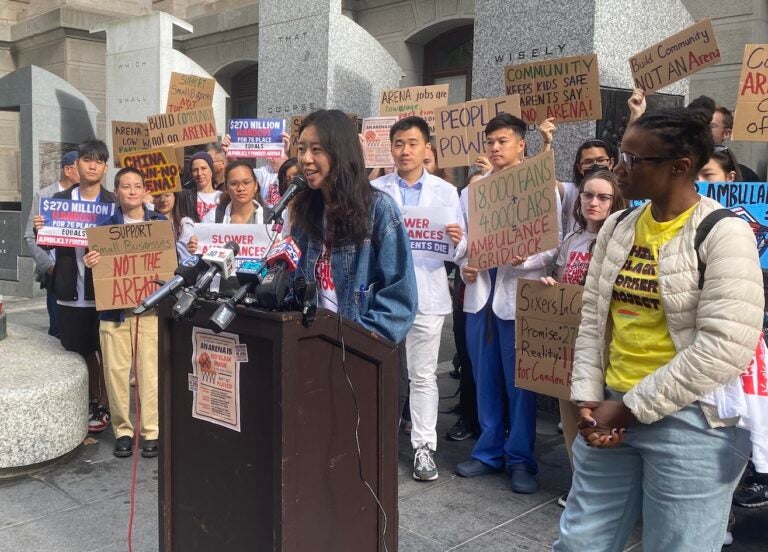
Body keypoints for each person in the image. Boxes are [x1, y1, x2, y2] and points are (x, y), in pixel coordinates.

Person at [554, 107, 763, 551]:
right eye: (620, 157)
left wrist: (630, 407)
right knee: (580, 542)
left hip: (693, 424)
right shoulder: (618, 226)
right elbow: (594, 319)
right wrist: (589, 396)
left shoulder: (725, 233)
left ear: (680, 167)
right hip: (610, 411)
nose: (618, 169)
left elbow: (725, 347)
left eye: (633, 160)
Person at [454, 113, 561, 494]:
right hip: (481, 294)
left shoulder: (540, 187)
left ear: (521, 145)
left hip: (518, 296)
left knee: (520, 384)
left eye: (503, 141)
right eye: (491, 142)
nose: (495, 148)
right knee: (483, 378)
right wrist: (463, 260)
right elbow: (464, 244)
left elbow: (552, 245)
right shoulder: (471, 192)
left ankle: (521, 459)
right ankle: (488, 452)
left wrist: (525, 260)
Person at [371, 116, 464, 481]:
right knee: (385, 372)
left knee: (423, 375)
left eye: (412, 143)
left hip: (427, 292)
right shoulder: (376, 189)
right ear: (390, 148)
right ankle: (379, 439)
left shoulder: (445, 192)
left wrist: (459, 241)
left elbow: (460, 251)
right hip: (385, 297)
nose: (405, 150)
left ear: (427, 147)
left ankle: (424, 447)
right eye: (398, 144)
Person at [290, 108, 417, 346]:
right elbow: (293, 284)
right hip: (311, 345)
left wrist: (355, 341)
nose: (306, 159)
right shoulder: (305, 213)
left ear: (340, 152)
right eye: (301, 148)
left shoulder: (380, 210)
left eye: (316, 149)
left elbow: (399, 302)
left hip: (359, 353)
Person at [539, 169, 625, 506]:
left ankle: (602, 490)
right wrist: (552, 290)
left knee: (597, 416)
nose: (593, 202)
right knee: (571, 416)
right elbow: (561, 278)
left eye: (603, 197)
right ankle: (580, 484)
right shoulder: (572, 240)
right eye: (588, 195)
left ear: (615, 201)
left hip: (603, 347)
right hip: (567, 343)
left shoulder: (620, 242)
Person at [33, 139, 115, 433]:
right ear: (76, 164)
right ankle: (92, 399)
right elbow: (45, 241)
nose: (92, 165)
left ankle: (105, 403)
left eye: (99, 161)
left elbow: (122, 247)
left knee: (105, 349)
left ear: (105, 167)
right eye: (87, 160)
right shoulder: (59, 200)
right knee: (79, 349)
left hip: (103, 291)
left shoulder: (113, 202)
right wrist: (40, 229)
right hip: (69, 289)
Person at [83, 167, 164, 458]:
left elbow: (169, 264)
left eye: (137, 185)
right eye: (125, 186)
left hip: (150, 311)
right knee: (116, 373)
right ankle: (123, 431)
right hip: (115, 313)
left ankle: (151, 431)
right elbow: (97, 275)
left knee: (149, 372)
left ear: (145, 191)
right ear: (117, 192)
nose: (131, 191)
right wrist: (91, 261)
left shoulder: (160, 223)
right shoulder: (104, 228)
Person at [24, 150, 79, 338]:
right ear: (68, 170)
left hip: (83, 276)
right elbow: (30, 237)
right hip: (56, 275)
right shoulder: (44, 195)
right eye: (82, 166)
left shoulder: (88, 198)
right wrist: (49, 267)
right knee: (58, 330)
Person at [184, 151, 222, 221]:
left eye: (203, 168)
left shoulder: (222, 197)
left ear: (211, 171)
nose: (199, 173)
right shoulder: (186, 196)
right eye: (195, 170)